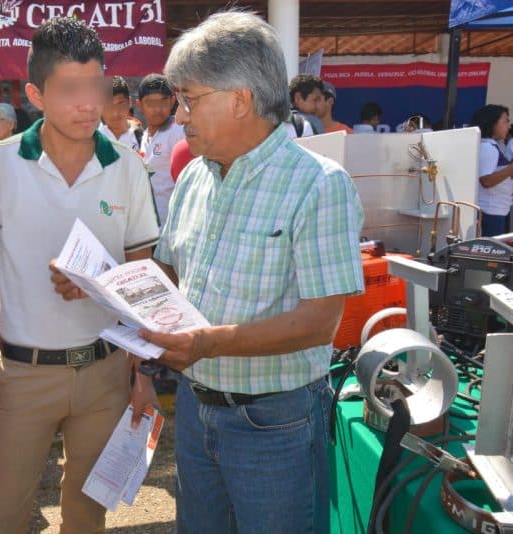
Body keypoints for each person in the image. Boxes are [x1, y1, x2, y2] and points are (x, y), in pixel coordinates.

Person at [139, 11, 365, 533]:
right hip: (195, 408)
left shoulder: (318, 185)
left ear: (239, 99)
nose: (180, 115)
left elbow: (319, 323)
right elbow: (167, 271)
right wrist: (108, 285)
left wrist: (209, 342)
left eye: (190, 99)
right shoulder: (195, 177)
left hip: (274, 423)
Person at [0, 17, 160, 534]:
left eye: (96, 85)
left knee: (88, 520)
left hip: (106, 373)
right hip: (23, 376)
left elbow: (144, 276)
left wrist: (142, 373)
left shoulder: (128, 168)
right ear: (35, 94)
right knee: (1, 519)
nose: (88, 103)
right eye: (70, 89)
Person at [137, 73, 186, 226]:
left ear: (172, 101)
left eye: (163, 101)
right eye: (150, 103)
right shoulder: (145, 136)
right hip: (151, 225)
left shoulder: (178, 131)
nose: (157, 109)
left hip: (172, 225)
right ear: (139, 105)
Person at [472, 104, 513, 236]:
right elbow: (486, 180)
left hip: (496, 210)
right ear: (493, 123)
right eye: (505, 121)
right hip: (489, 211)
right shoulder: (488, 148)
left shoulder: (493, 146)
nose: (508, 126)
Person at [99, 75, 141, 151]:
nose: (115, 113)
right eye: (109, 107)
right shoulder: (91, 139)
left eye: (120, 105)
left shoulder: (141, 138)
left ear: (129, 103)